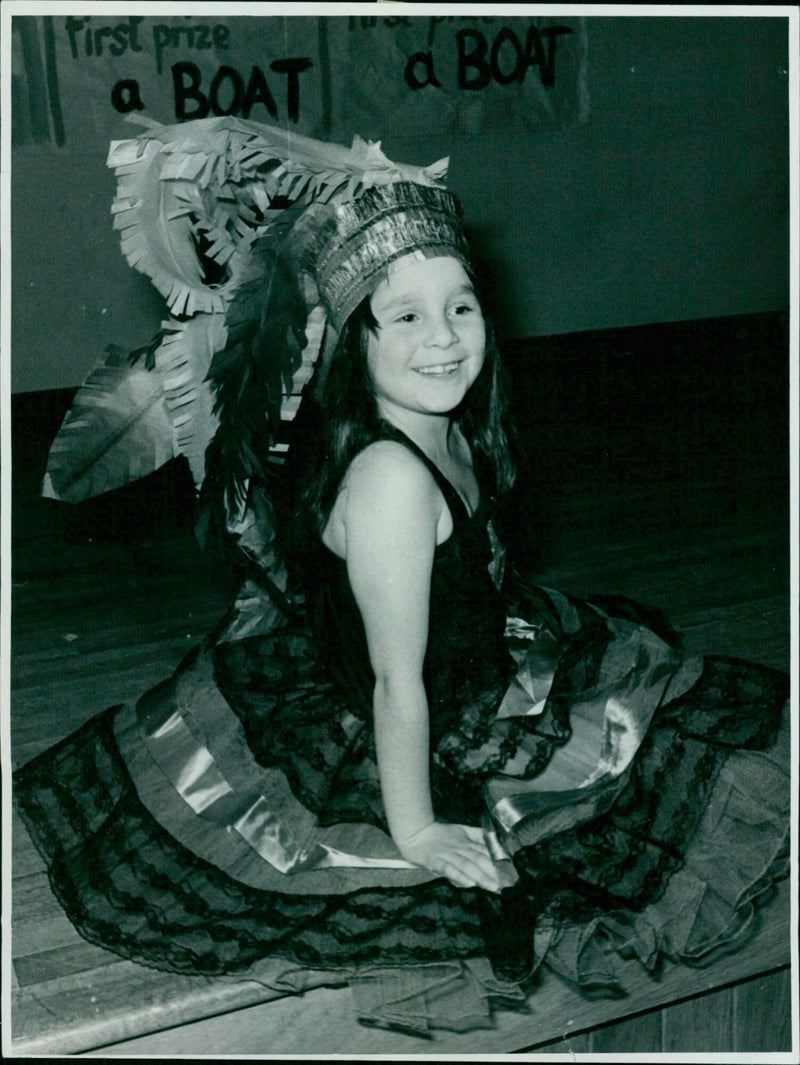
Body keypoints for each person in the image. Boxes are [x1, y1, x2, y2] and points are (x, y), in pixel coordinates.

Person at [14, 154, 790, 1032]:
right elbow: (396, 683)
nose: (445, 337)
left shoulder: (450, 427)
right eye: (407, 316)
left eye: (462, 307)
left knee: (674, 719)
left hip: (474, 659)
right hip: (406, 702)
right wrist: (416, 829)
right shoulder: (389, 479)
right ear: (358, 343)